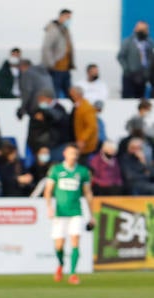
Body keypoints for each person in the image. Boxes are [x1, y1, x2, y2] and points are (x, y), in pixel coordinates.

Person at [43, 142, 93, 284]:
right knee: (59, 245)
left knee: (75, 242)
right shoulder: (56, 170)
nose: (73, 156)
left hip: (76, 212)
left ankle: (72, 273)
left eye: (76, 154)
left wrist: (91, 215)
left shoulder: (82, 172)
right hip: (60, 212)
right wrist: (49, 207)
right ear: (65, 154)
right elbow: (48, 190)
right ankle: (60, 265)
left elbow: (88, 193)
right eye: (71, 153)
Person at [42, 9, 74, 97]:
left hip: (66, 68)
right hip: (56, 68)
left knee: (69, 94)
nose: (69, 20)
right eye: (67, 17)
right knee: (55, 93)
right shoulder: (53, 29)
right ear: (61, 16)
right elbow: (46, 48)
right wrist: (51, 64)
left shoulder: (65, 30)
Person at [118, 21, 152, 100]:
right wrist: (127, 69)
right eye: (142, 30)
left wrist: (147, 73)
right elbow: (121, 57)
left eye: (145, 30)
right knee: (127, 98)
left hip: (143, 76)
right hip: (130, 75)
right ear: (136, 30)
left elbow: (150, 58)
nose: (144, 32)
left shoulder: (149, 43)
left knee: (140, 98)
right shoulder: (128, 42)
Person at [70, 86, 98, 156]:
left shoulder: (86, 108)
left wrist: (82, 139)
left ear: (77, 95)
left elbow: (91, 126)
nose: (71, 97)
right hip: (79, 142)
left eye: (72, 95)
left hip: (85, 145)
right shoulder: (78, 106)